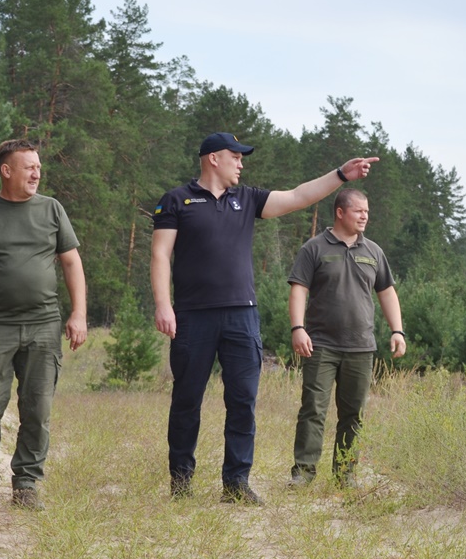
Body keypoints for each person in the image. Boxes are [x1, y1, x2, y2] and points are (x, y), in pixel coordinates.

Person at [151, 131, 379, 505]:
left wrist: (341, 174)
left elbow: (298, 196)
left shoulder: (247, 199)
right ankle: (181, 482)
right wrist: (164, 305)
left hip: (242, 315)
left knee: (243, 401)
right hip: (192, 316)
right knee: (187, 400)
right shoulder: (177, 200)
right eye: (236, 157)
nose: (241, 164)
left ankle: (236, 483)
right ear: (213, 158)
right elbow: (160, 254)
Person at [0, 138, 88, 510]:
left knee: (37, 408)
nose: (37, 173)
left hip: (43, 323)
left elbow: (71, 262)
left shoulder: (52, 209)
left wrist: (78, 313)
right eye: (29, 167)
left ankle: (26, 483)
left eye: (39, 167)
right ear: (6, 171)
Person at [287, 188, 405, 487]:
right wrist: (298, 328)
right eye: (358, 211)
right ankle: (303, 474)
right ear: (340, 212)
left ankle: (345, 475)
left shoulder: (374, 252)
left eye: (367, 211)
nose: (364, 216)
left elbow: (387, 292)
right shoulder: (314, 248)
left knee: (353, 413)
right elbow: (299, 290)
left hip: (360, 347)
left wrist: (397, 330)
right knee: (313, 409)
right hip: (320, 345)